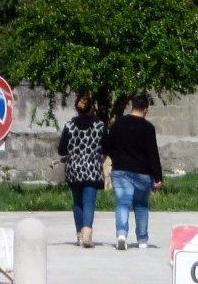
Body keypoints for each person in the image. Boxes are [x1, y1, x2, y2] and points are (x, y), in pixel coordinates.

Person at [104, 95, 165, 250]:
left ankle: (122, 234)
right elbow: (153, 154)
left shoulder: (118, 124)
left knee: (123, 203)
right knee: (141, 206)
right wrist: (158, 176)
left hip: (121, 170)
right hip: (143, 173)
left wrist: (117, 158)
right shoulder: (148, 128)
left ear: (131, 107)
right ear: (145, 110)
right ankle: (142, 240)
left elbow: (107, 147)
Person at [56, 94, 106, 249]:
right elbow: (106, 147)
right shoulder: (99, 126)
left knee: (77, 202)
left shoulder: (69, 125)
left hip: (74, 169)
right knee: (89, 203)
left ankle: (79, 235)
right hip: (92, 168)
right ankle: (87, 233)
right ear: (91, 107)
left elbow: (61, 149)